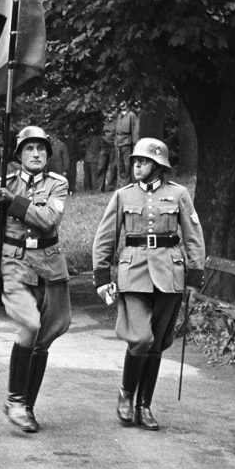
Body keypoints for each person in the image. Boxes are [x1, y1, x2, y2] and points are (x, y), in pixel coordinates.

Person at [91, 138, 206, 431]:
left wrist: (194, 276)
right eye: (135, 161)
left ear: (158, 165)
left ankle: (145, 405)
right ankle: (125, 395)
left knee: (156, 345)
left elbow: (193, 235)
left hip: (170, 275)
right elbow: (105, 237)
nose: (137, 166)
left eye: (143, 161)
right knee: (141, 339)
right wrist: (102, 277)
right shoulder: (123, 196)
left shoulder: (178, 194)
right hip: (134, 274)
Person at [0, 126, 71, 433]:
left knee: (44, 338)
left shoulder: (58, 185)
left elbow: (47, 220)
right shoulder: (3, 183)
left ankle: (27, 408)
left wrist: (14, 202)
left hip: (49, 266)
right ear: (18, 156)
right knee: (30, 324)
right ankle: (15, 400)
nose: (36, 154)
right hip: (14, 265)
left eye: (41, 149)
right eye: (29, 149)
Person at [112, 102, 140, 189]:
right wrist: (115, 142)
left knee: (128, 165)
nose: (122, 105)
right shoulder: (119, 115)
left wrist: (135, 144)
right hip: (118, 143)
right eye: (121, 103)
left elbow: (135, 130)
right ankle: (122, 185)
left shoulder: (132, 115)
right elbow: (117, 130)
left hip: (127, 143)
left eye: (124, 103)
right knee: (120, 166)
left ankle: (130, 185)